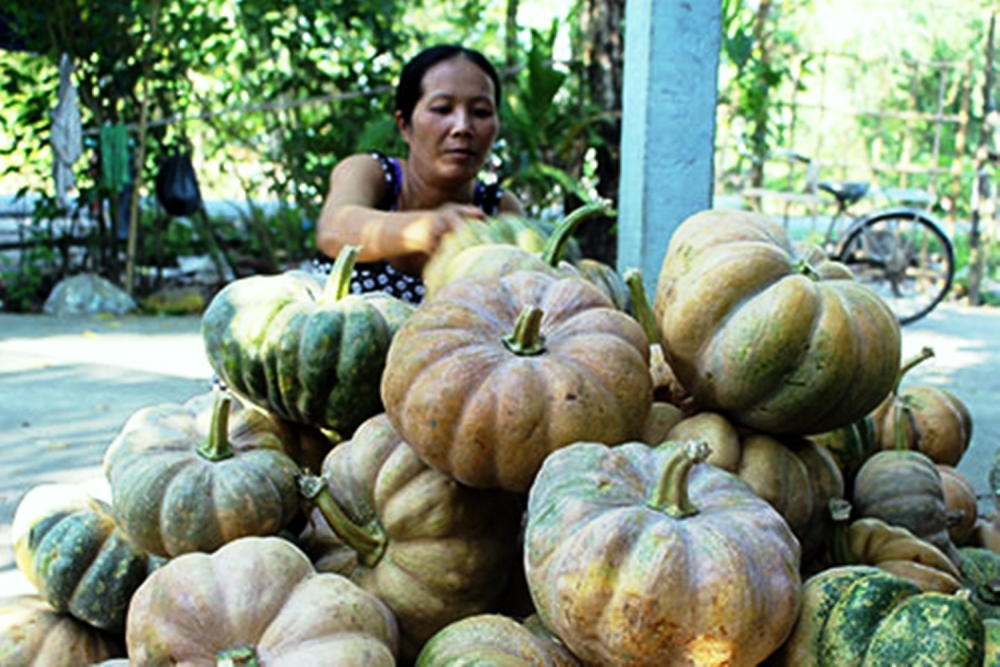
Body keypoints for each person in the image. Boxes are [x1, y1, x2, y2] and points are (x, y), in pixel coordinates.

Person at [314, 44, 525, 304]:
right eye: (442, 109)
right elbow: (334, 229)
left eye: (481, 112)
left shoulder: (500, 210)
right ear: (405, 125)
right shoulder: (371, 173)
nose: (462, 127)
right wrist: (428, 228)